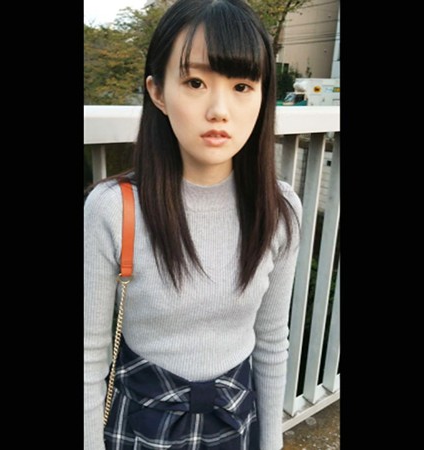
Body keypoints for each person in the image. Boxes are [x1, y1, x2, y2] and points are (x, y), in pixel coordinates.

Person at [83, 0, 302, 448]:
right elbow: (88, 358)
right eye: (195, 82)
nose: (219, 110)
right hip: (141, 427)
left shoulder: (279, 209)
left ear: (263, 97)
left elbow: (270, 342)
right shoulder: (114, 209)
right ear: (158, 92)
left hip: (235, 424)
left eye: (242, 86)